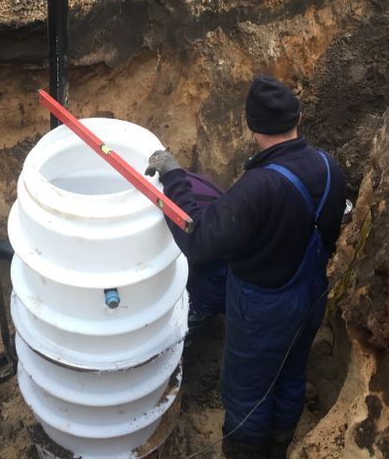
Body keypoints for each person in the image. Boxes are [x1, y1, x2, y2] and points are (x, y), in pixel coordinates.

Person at [145, 75, 348, 459]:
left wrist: (174, 178)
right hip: (310, 297)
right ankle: (279, 449)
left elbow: (199, 240)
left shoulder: (258, 187)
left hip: (263, 310)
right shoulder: (328, 166)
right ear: (299, 117)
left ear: (252, 127)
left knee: (247, 394)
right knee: (290, 375)